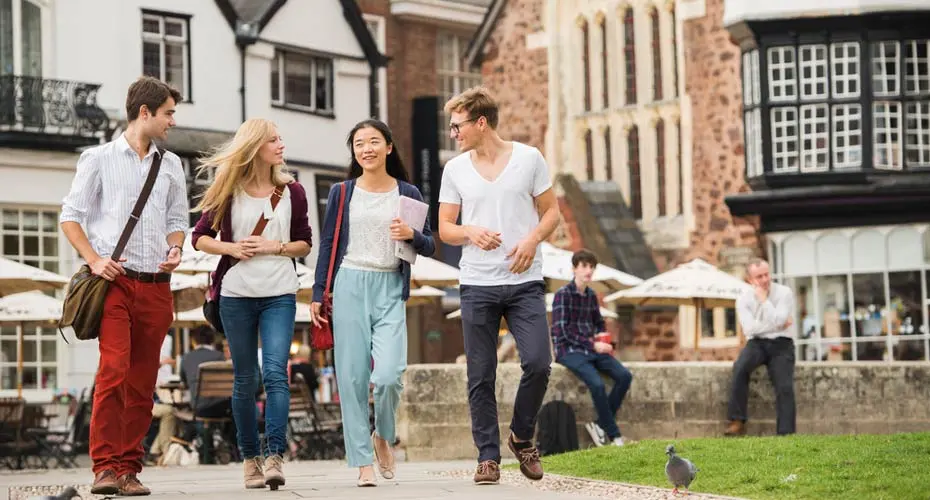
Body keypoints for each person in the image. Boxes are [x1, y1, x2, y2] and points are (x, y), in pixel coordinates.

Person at [59, 76, 187, 496]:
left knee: (143, 380)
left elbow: (176, 220)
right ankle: (104, 467)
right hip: (113, 284)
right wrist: (95, 260)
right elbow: (70, 216)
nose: (172, 121)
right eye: (168, 113)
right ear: (145, 113)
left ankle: (130, 469)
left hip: (156, 285)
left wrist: (176, 248)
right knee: (113, 371)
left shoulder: (171, 164)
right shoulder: (97, 158)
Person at [437, 86, 560, 485]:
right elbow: (445, 229)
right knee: (481, 373)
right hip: (476, 283)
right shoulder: (454, 170)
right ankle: (487, 457)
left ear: (481, 122)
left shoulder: (529, 159)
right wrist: (469, 231)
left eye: (457, 126)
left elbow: (552, 212)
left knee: (539, 363)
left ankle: (522, 437)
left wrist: (531, 240)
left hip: (524, 282)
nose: (453, 133)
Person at [309, 119, 435, 487]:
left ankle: (383, 434)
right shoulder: (342, 192)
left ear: (389, 147)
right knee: (351, 378)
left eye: (374, 142)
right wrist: (319, 293)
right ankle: (362, 461)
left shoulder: (408, 192)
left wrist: (411, 234)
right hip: (349, 284)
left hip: (390, 285)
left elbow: (428, 244)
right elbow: (329, 243)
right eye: (359, 143)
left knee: (389, 375)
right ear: (354, 151)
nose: (367, 148)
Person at [191, 118, 313, 489]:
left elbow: (304, 242)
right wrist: (231, 247)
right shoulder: (228, 190)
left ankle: (275, 456)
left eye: (280, 138)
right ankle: (250, 459)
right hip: (236, 295)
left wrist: (274, 247)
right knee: (246, 379)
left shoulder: (293, 191)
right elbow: (199, 238)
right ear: (255, 146)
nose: (281, 145)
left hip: (279, 293)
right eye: (273, 140)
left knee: (276, 373)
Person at [550, 249, 633, 447]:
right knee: (596, 384)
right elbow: (562, 332)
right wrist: (593, 344)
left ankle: (599, 425)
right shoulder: (562, 295)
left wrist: (602, 337)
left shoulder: (591, 295)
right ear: (574, 269)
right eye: (584, 266)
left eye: (591, 267)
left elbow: (598, 323)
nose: (588, 270)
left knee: (624, 376)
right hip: (568, 351)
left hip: (591, 349)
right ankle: (614, 436)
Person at [725, 257, 797, 436]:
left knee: (784, 386)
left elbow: (780, 321)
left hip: (782, 343)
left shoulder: (784, 293)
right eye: (759, 277)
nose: (765, 280)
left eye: (766, 274)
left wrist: (764, 301)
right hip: (757, 342)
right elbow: (749, 328)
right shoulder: (743, 298)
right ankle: (737, 421)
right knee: (740, 368)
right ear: (750, 280)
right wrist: (777, 323)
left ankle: (786, 433)